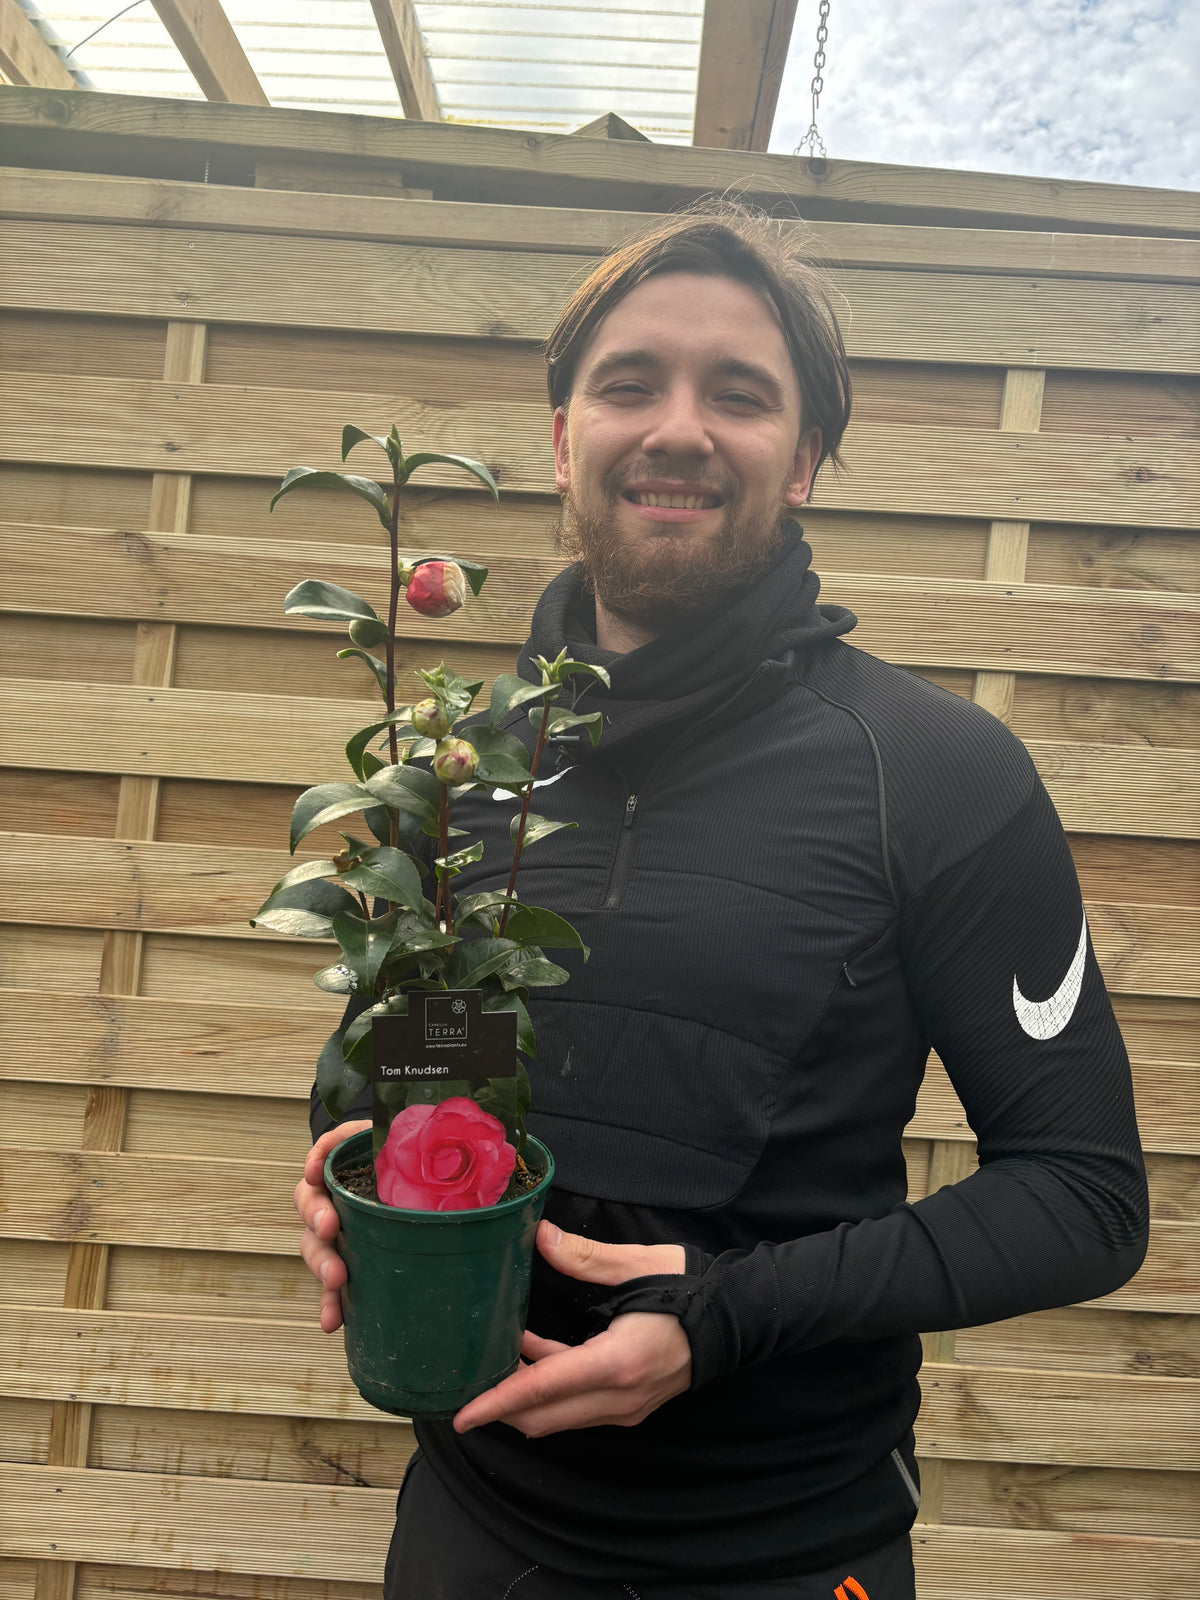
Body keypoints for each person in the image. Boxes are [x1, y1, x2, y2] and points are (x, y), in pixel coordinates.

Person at [294, 204, 1148, 1599]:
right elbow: (425, 1062)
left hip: (780, 1547)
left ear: (805, 459)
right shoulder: (453, 769)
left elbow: (1085, 1199)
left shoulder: (938, 775)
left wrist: (722, 1322)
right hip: (469, 1526)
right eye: (630, 383)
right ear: (567, 437)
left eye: (739, 395)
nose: (679, 428)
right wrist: (352, 1175)